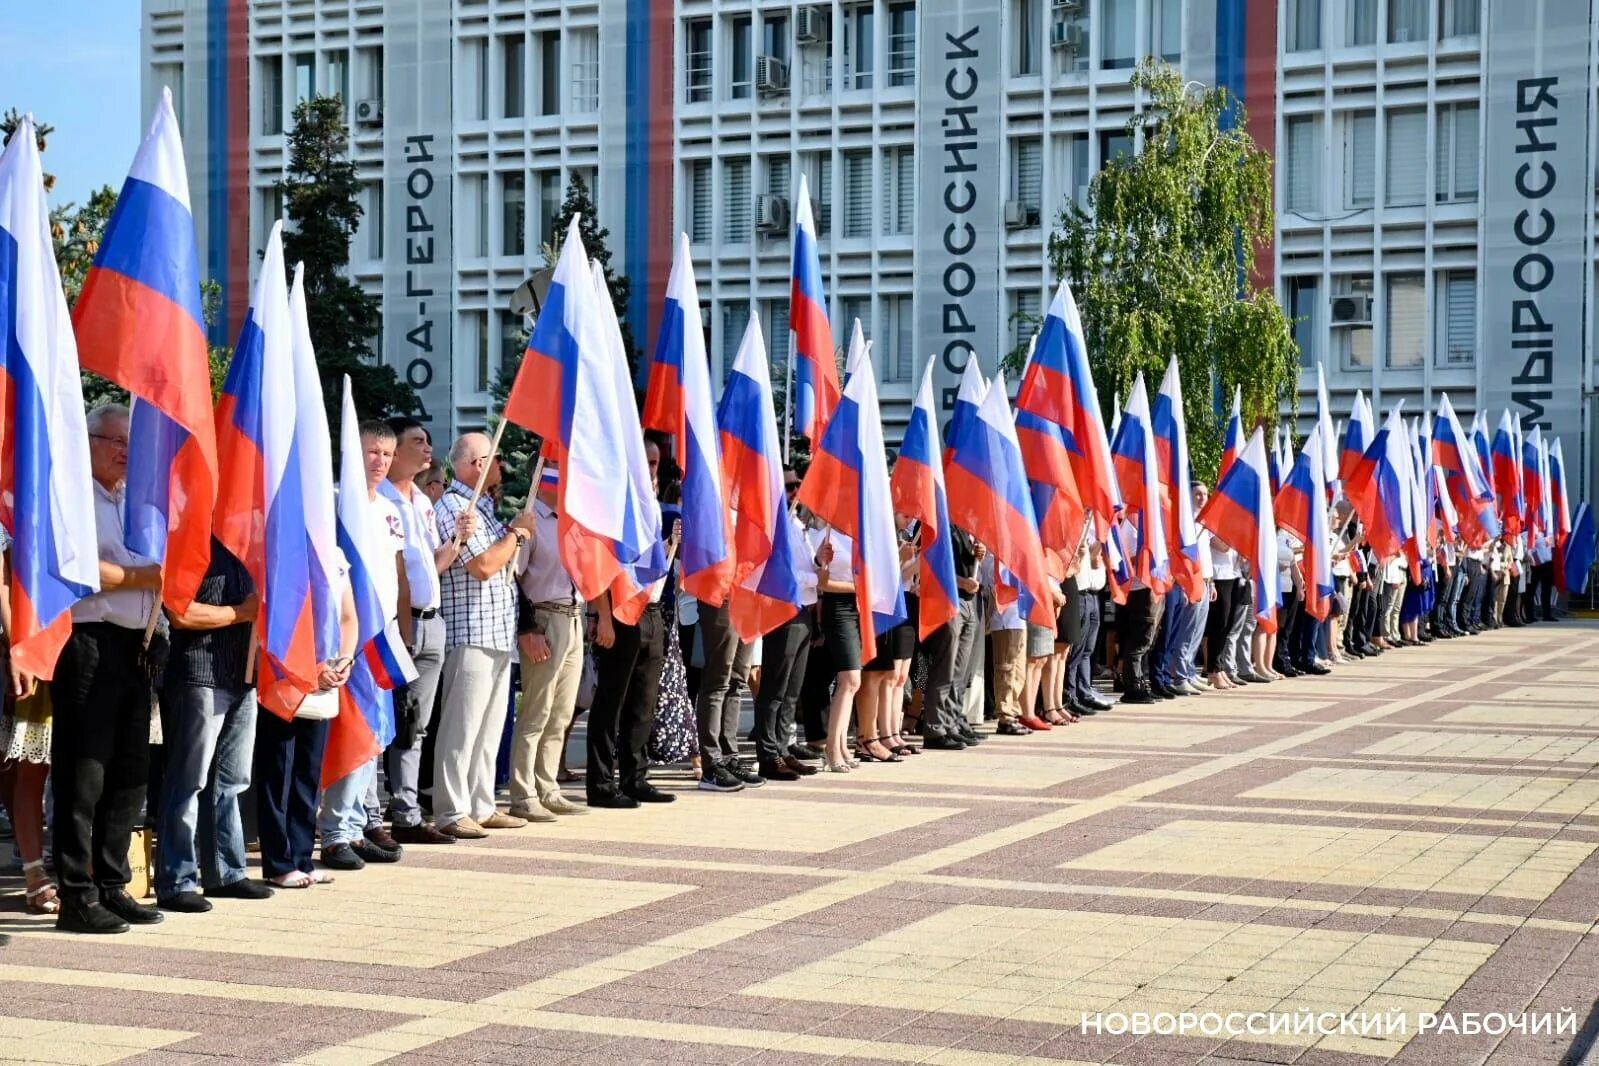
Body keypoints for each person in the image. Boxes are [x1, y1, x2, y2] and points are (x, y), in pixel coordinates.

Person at [51, 405, 164, 934]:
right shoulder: (75, 498)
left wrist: (144, 579)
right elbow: (85, 572)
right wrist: (145, 576)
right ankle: (76, 891)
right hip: (88, 641)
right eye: (114, 439)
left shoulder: (133, 501)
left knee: (129, 772)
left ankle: (113, 884)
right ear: (88, 439)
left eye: (129, 441)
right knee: (85, 771)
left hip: (135, 645)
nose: (124, 449)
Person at [154, 538, 272, 911]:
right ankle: (176, 879)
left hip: (243, 673)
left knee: (231, 781)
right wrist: (242, 612)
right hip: (199, 673)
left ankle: (226, 872)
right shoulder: (191, 539)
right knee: (188, 781)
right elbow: (180, 613)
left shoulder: (249, 538)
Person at [432, 434, 535, 838]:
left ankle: (481, 803)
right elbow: (484, 565)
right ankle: (451, 809)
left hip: (495, 629)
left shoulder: (485, 509)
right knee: (462, 724)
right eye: (494, 459)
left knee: (490, 726)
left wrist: (514, 535)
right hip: (470, 629)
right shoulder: (458, 507)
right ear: (476, 464)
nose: (501, 467)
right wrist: (518, 535)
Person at [319, 421, 411, 870]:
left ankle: (353, 826)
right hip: (348, 634)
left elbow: (396, 572)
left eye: (387, 455)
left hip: (383, 632)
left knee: (374, 735)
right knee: (353, 730)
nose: (380, 462)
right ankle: (335, 830)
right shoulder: (337, 500)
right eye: (372, 452)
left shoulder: (390, 508)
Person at [378, 417, 458, 845]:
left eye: (428, 441)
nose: (428, 449)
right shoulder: (380, 499)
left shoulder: (423, 504)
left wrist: (456, 543)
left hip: (432, 623)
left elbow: (431, 565)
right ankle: (372, 812)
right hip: (398, 625)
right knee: (388, 720)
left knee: (416, 723)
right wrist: (404, 631)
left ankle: (407, 813)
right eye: (418, 442)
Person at [587, 441, 678, 808]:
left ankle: (635, 776)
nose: (652, 468)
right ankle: (601, 784)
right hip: (621, 611)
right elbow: (601, 566)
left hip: (652, 611)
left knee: (643, 702)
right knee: (612, 701)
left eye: (655, 462)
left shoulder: (651, 506)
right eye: (646, 462)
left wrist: (671, 547)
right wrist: (603, 616)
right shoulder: (615, 504)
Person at [256, 571, 358, 889]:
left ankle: (302, 857)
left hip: (324, 683)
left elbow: (348, 617)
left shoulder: (335, 555)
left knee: (308, 775)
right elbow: (277, 621)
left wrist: (343, 661)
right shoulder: (283, 548)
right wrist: (311, 670)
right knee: (278, 773)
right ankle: (278, 863)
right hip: (283, 679)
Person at [509, 462, 589, 821]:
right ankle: (523, 793)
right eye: (558, 471)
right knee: (536, 711)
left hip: (573, 618)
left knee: (560, 712)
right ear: (543, 478)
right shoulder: (530, 520)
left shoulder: (569, 521)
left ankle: (548, 786)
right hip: (544, 617)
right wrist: (527, 628)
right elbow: (513, 578)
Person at [0, 525, 56, 915]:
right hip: (26, 642)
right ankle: (35, 873)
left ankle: (80, 868)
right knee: (28, 766)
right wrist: (19, 645)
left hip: (72, 637)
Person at [751, 470, 820, 781]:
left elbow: (806, 567)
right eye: (790, 486)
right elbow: (784, 573)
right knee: (775, 688)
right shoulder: (778, 525)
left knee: (792, 689)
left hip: (804, 610)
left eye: (797, 486)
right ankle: (768, 753)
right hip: (784, 611)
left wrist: (818, 564)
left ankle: (783, 747)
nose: (795, 491)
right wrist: (816, 577)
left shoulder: (798, 525)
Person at [917, 527, 984, 750]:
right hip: (947, 601)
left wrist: (977, 556)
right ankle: (935, 728)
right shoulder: (938, 522)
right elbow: (931, 566)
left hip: (967, 602)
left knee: (960, 671)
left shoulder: (963, 528)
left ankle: (952, 722)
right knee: (944, 668)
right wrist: (961, 582)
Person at [814, 529, 863, 771]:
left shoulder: (864, 531)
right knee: (849, 679)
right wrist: (859, 588)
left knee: (854, 682)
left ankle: (842, 745)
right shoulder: (829, 534)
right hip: (839, 608)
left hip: (860, 609)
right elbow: (822, 583)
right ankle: (831, 747)